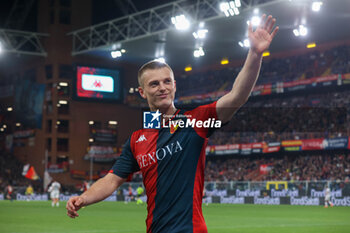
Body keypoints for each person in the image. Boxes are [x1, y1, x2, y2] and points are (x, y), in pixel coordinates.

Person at [67, 14, 278, 232]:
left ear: (175, 86)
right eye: (154, 83)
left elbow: (236, 97)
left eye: (167, 81)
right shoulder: (136, 140)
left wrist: (254, 54)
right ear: (142, 91)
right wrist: (83, 198)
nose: (162, 87)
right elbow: (112, 180)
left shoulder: (196, 121)